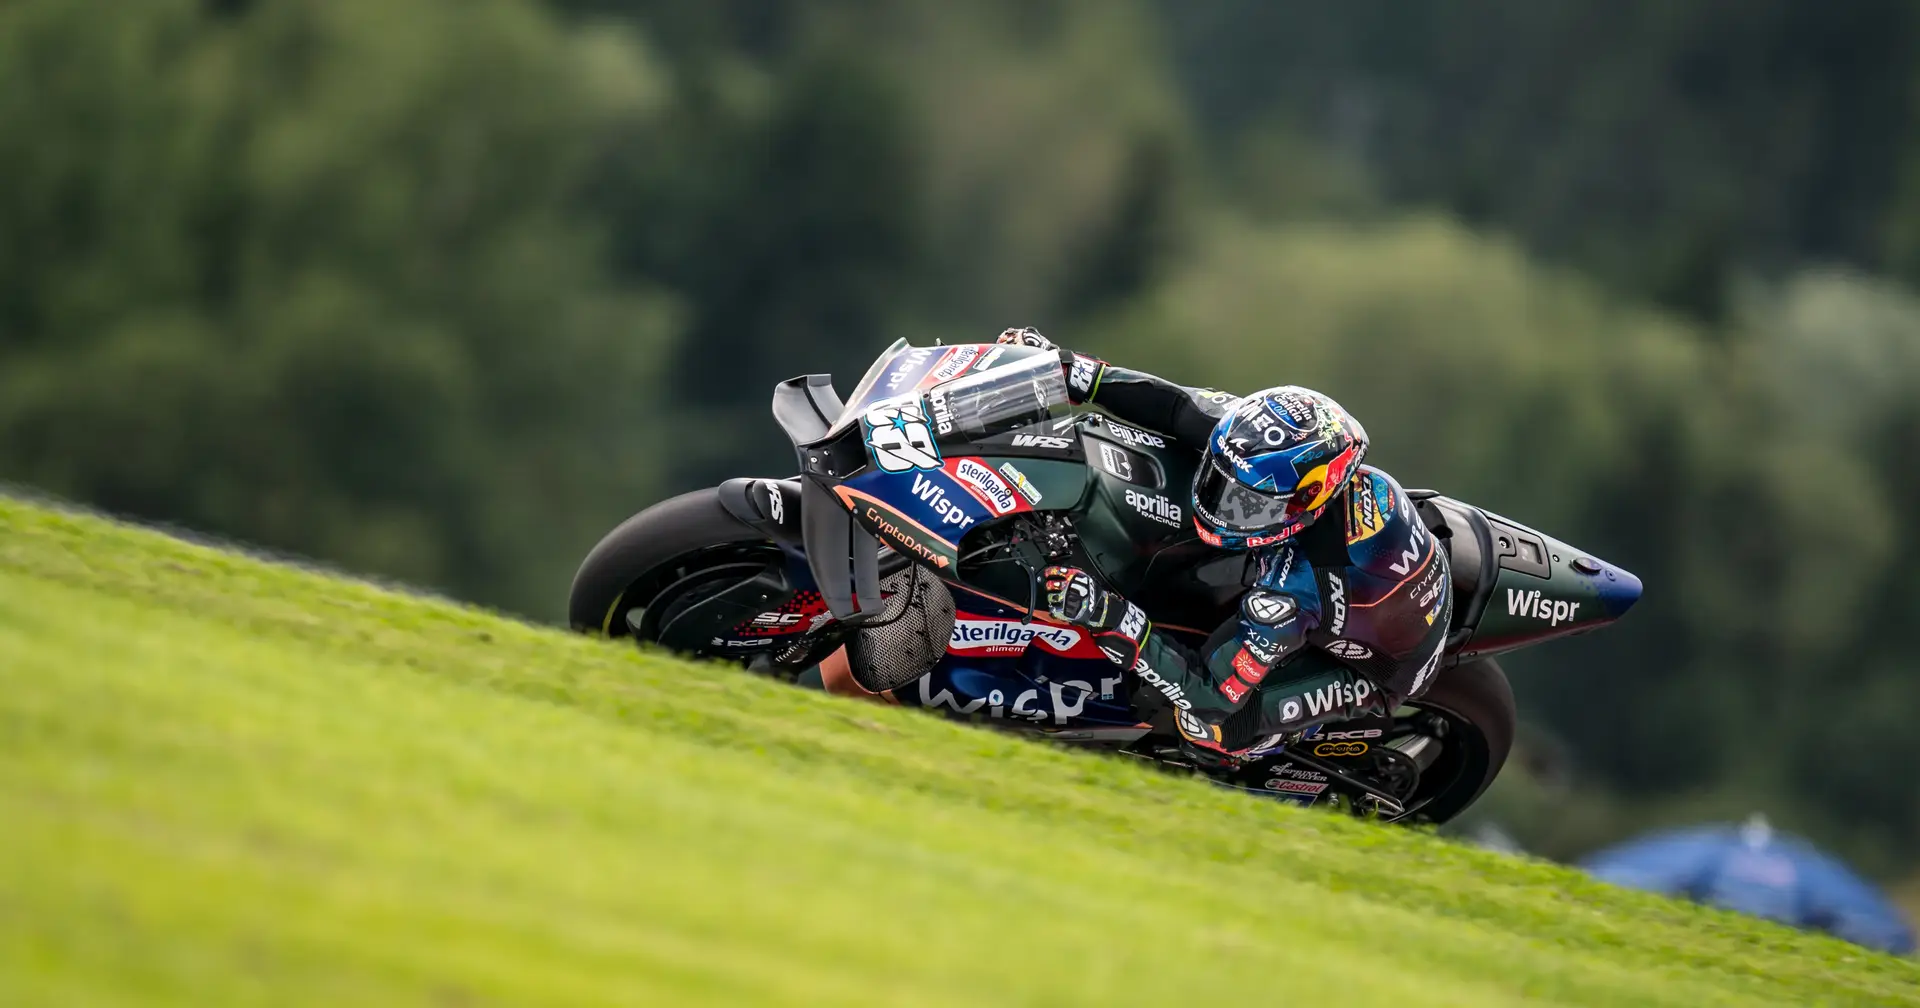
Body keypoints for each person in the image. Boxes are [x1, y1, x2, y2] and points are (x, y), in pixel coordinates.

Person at [819, 327, 1450, 760]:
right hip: (1376, 564)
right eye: (1223, 478)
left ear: (1302, 505)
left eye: (1248, 502)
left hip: (1379, 663)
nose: (1223, 501)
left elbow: (1208, 693)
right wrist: (1071, 371)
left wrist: (1109, 613)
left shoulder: (1295, 586)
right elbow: (1171, 407)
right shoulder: (1251, 445)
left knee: (1212, 728)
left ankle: (1258, 767)